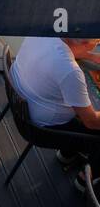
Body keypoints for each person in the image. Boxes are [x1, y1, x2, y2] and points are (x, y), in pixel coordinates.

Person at [10, 36, 100, 168]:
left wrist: (92, 57)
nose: (97, 44)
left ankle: (66, 155)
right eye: (97, 42)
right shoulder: (70, 71)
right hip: (41, 129)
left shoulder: (44, 32)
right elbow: (91, 121)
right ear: (87, 43)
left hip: (23, 103)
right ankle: (84, 180)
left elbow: (62, 51)